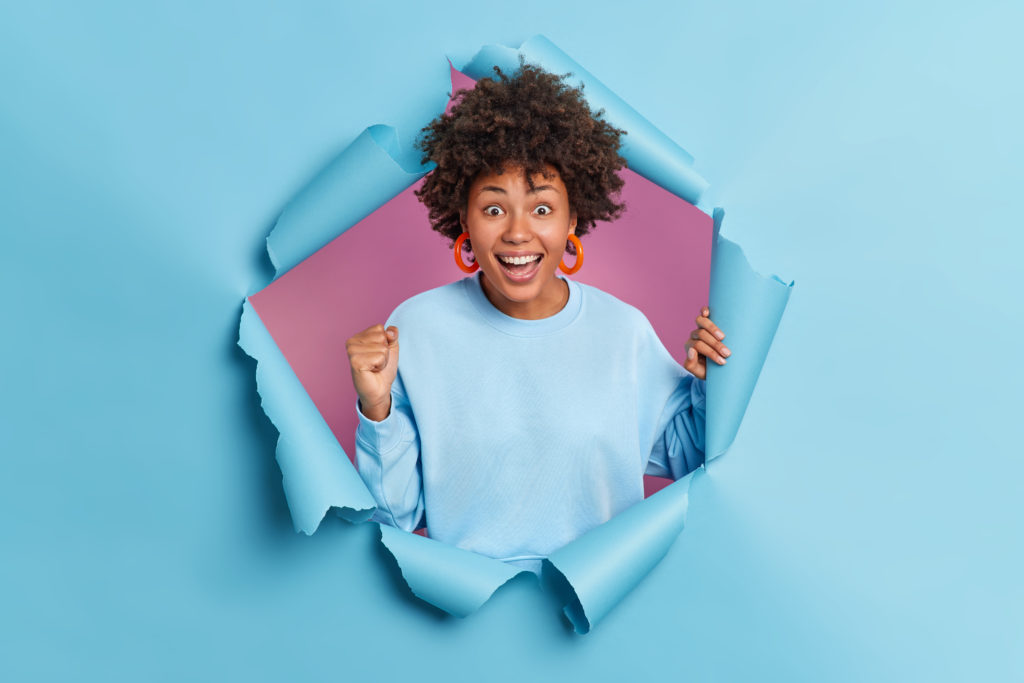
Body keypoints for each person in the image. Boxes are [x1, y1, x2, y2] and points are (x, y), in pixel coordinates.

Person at [346, 63, 731, 572]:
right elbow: (393, 518)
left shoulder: (623, 331)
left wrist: (711, 386)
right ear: (463, 217)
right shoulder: (415, 329)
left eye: (543, 209)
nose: (518, 234)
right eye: (493, 208)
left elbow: (691, 460)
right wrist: (376, 411)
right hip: (469, 614)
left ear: (574, 217)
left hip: (595, 609)